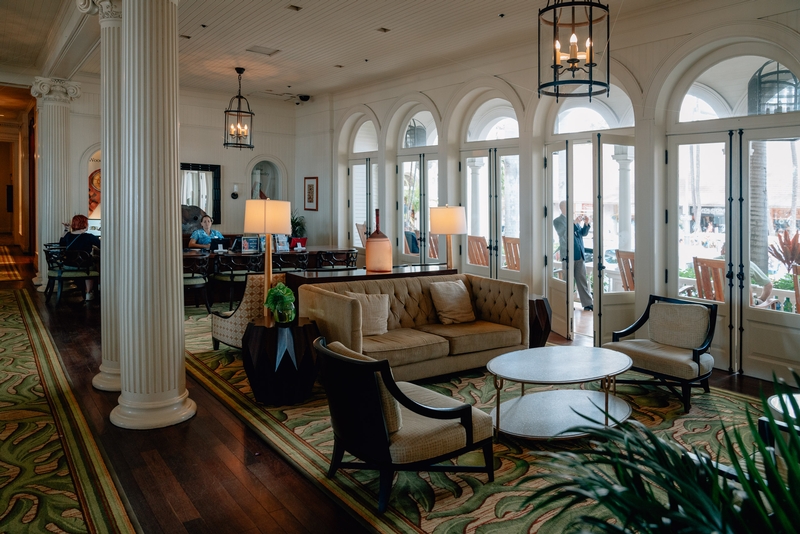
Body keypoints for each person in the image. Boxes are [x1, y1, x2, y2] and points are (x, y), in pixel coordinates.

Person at [553, 201, 593, 311]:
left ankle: (588, 303)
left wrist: (586, 223)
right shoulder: (557, 221)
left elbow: (582, 234)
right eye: (567, 206)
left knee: (582, 280)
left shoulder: (573, 221)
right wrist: (574, 223)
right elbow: (563, 234)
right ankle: (567, 303)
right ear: (561, 208)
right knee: (568, 282)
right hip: (568, 256)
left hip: (579, 254)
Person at [59, 214, 101, 301]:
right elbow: (101, 245)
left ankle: (86, 289)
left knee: (90, 262)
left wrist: (66, 229)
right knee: (92, 264)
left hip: (68, 265)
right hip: (84, 267)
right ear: (84, 224)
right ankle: (89, 292)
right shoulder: (89, 237)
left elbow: (61, 244)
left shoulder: (68, 236)